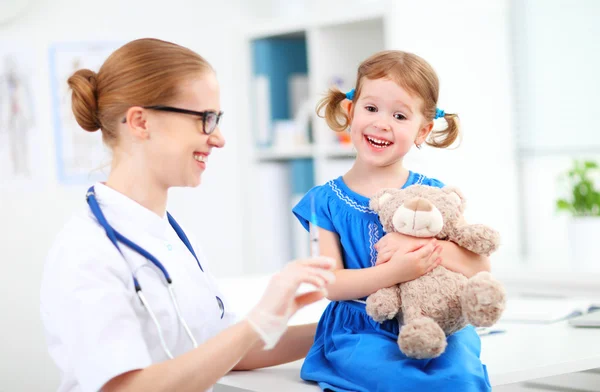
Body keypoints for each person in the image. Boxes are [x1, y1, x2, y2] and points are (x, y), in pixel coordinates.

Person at [39, 38, 336, 392]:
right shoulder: (86, 253)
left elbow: (228, 348)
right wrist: (257, 321)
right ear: (140, 122)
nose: (219, 138)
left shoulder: (171, 237)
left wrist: (345, 328)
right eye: (206, 119)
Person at [292, 50, 493, 392]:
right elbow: (331, 284)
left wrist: (420, 248)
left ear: (423, 131)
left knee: (459, 378)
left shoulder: (434, 194)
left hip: (435, 323)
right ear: (350, 111)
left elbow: (480, 268)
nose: (382, 123)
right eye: (371, 109)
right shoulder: (323, 201)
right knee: (394, 380)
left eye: (400, 115)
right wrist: (394, 273)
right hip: (360, 328)